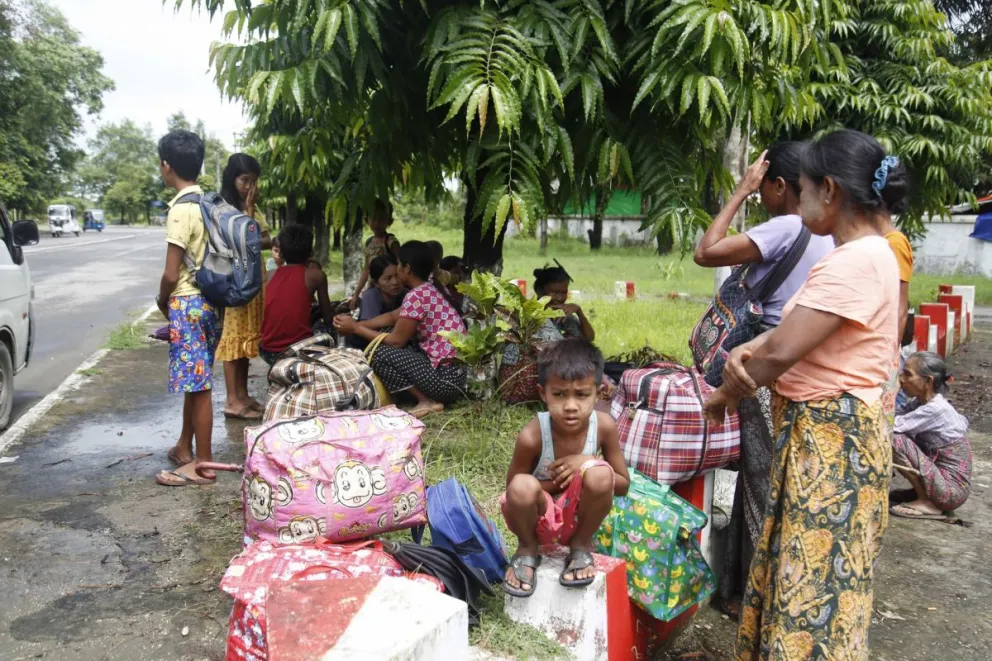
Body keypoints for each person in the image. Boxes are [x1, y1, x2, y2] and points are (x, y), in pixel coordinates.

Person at [703, 129, 906, 660]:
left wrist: (721, 395)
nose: (800, 197)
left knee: (813, 586)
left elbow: (778, 354)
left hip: (831, 447)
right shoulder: (870, 253)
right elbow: (789, 334)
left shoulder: (856, 261)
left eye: (805, 187)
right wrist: (745, 354)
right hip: (825, 437)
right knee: (806, 574)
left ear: (830, 191)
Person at [692, 142, 834, 619]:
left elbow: (705, 251)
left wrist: (739, 191)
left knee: (758, 487)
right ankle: (739, 587)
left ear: (778, 185)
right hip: (800, 371)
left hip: (760, 371)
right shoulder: (827, 233)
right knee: (773, 483)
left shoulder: (785, 225)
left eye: (765, 185)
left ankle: (754, 597)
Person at [500, 339, 630, 597]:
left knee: (601, 473)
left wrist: (586, 463)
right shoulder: (532, 435)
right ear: (542, 393)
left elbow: (622, 485)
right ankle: (527, 549)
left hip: (580, 517)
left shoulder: (603, 426)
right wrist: (562, 481)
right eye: (559, 394)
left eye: (581, 394)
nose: (571, 406)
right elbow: (514, 491)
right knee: (523, 486)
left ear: (600, 392)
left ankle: (581, 546)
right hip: (537, 518)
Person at [333, 240, 467, 417]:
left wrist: (356, 329)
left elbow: (397, 342)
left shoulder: (415, 296)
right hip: (455, 378)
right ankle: (420, 396)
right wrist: (355, 324)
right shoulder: (427, 289)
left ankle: (426, 401)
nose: (396, 270)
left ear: (407, 268)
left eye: (398, 264)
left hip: (444, 381)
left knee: (379, 351)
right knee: (385, 334)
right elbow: (392, 317)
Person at [155, 129, 221, 487]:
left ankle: (204, 465)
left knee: (200, 387)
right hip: (212, 304)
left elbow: (170, 273)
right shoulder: (209, 203)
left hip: (188, 304)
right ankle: (184, 446)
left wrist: (162, 300)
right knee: (196, 382)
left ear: (167, 166)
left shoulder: (180, 210)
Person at [215, 154, 272, 420]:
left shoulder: (252, 206)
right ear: (232, 178)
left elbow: (266, 239)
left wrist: (252, 216)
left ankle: (243, 395)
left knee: (247, 337)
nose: (249, 186)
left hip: (254, 280)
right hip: (236, 281)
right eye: (244, 180)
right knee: (233, 338)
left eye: (253, 181)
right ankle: (232, 401)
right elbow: (244, 240)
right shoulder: (225, 209)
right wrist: (248, 215)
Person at [889, 351, 972, 520]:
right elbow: (890, 414)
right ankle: (925, 494)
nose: (902, 379)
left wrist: (892, 391)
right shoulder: (920, 403)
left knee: (894, 439)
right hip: (946, 488)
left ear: (928, 381)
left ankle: (928, 502)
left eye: (907, 374)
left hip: (950, 493)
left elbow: (889, 426)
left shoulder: (935, 409)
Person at [259, 225, 335, 365]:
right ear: (311, 252)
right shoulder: (316, 276)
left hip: (267, 350)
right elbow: (328, 316)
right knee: (325, 328)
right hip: (299, 350)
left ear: (281, 252)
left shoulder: (269, 275)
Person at [344, 254, 406, 350]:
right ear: (376, 283)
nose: (395, 282)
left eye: (397, 276)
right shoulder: (371, 296)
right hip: (367, 348)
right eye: (388, 278)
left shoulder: (406, 293)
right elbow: (367, 330)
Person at [348, 200, 400, 309]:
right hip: (373, 287)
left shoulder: (390, 242)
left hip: (388, 289)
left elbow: (401, 265)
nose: (377, 223)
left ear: (389, 221)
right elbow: (366, 270)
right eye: (373, 218)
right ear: (367, 220)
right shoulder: (369, 242)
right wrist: (356, 294)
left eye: (381, 219)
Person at [534, 262, 594, 341]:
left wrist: (579, 312)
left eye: (564, 292)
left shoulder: (563, 315)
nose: (560, 298)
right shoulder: (532, 318)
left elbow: (589, 338)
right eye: (555, 292)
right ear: (540, 292)